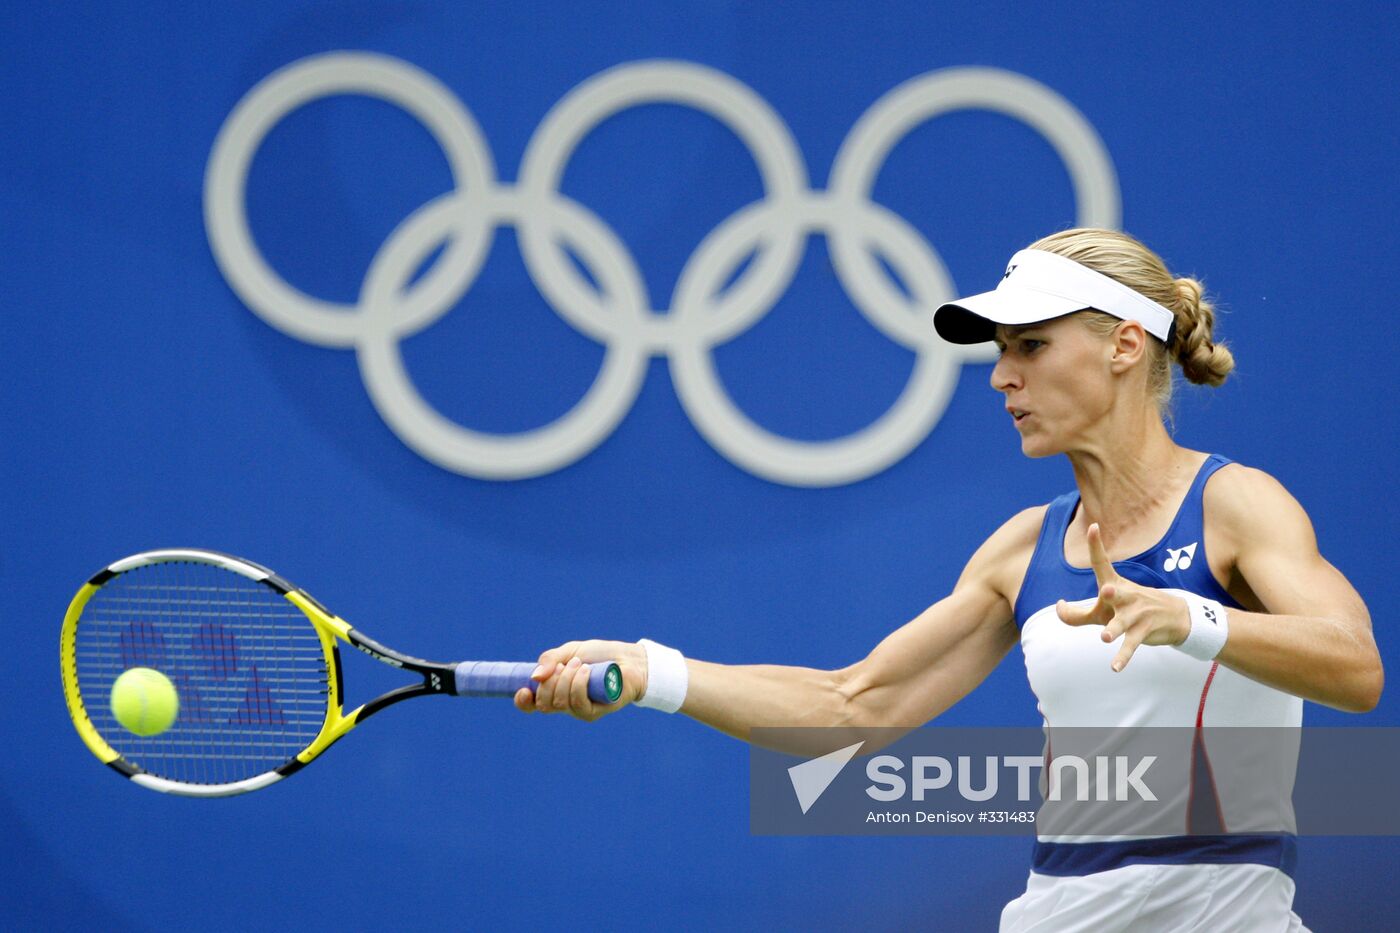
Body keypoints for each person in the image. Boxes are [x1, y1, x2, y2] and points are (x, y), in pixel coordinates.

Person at [513, 228, 1382, 931]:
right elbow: (850, 705)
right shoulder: (1021, 550)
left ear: (1124, 345)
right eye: (1002, 352)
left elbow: (1355, 665)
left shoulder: (1235, 505)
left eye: (1032, 347)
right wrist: (647, 671)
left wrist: (1192, 620)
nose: (1003, 375)